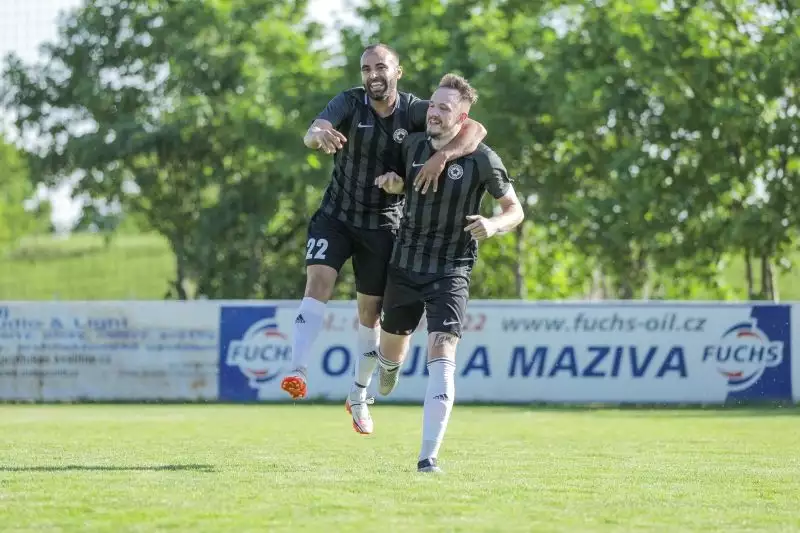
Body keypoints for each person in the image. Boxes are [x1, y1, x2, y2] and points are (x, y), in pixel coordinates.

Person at [280, 44, 488, 438]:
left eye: (381, 67)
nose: (373, 74)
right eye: (366, 68)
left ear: (398, 71)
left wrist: (440, 159)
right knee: (318, 282)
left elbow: (475, 129)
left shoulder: (414, 109)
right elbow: (314, 130)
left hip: (382, 224)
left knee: (370, 314)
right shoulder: (348, 102)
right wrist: (316, 135)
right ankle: (298, 369)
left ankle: (358, 395)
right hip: (336, 217)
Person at [373, 73, 524, 473]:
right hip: (404, 266)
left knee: (442, 353)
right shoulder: (413, 144)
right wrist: (394, 184)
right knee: (389, 362)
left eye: (444, 107)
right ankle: (388, 369)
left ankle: (427, 457)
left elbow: (516, 210)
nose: (434, 112)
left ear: (463, 116)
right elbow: (403, 182)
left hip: (451, 270)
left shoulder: (482, 158)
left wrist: (493, 225)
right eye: (433, 104)